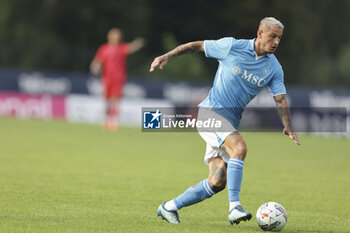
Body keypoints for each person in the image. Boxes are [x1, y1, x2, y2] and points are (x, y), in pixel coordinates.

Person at [149, 17, 300, 225]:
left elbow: (280, 99)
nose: (276, 42)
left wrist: (288, 125)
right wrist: (167, 56)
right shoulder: (232, 46)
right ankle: (234, 207)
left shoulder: (274, 68)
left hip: (229, 122)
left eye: (279, 38)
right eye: (272, 36)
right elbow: (198, 45)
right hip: (210, 113)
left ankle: (168, 207)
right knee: (240, 148)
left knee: (217, 181)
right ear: (260, 34)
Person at [90, 28, 144, 130]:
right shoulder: (104, 48)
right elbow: (98, 60)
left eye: (118, 36)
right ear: (109, 37)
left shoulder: (121, 48)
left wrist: (138, 43)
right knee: (106, 100)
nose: (116, 38)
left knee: (116, 100)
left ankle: (114, 121)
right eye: (114, 36)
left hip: (119, 78)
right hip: (107, 78)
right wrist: (95, 66)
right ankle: (105, 120)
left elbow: (131, 47)